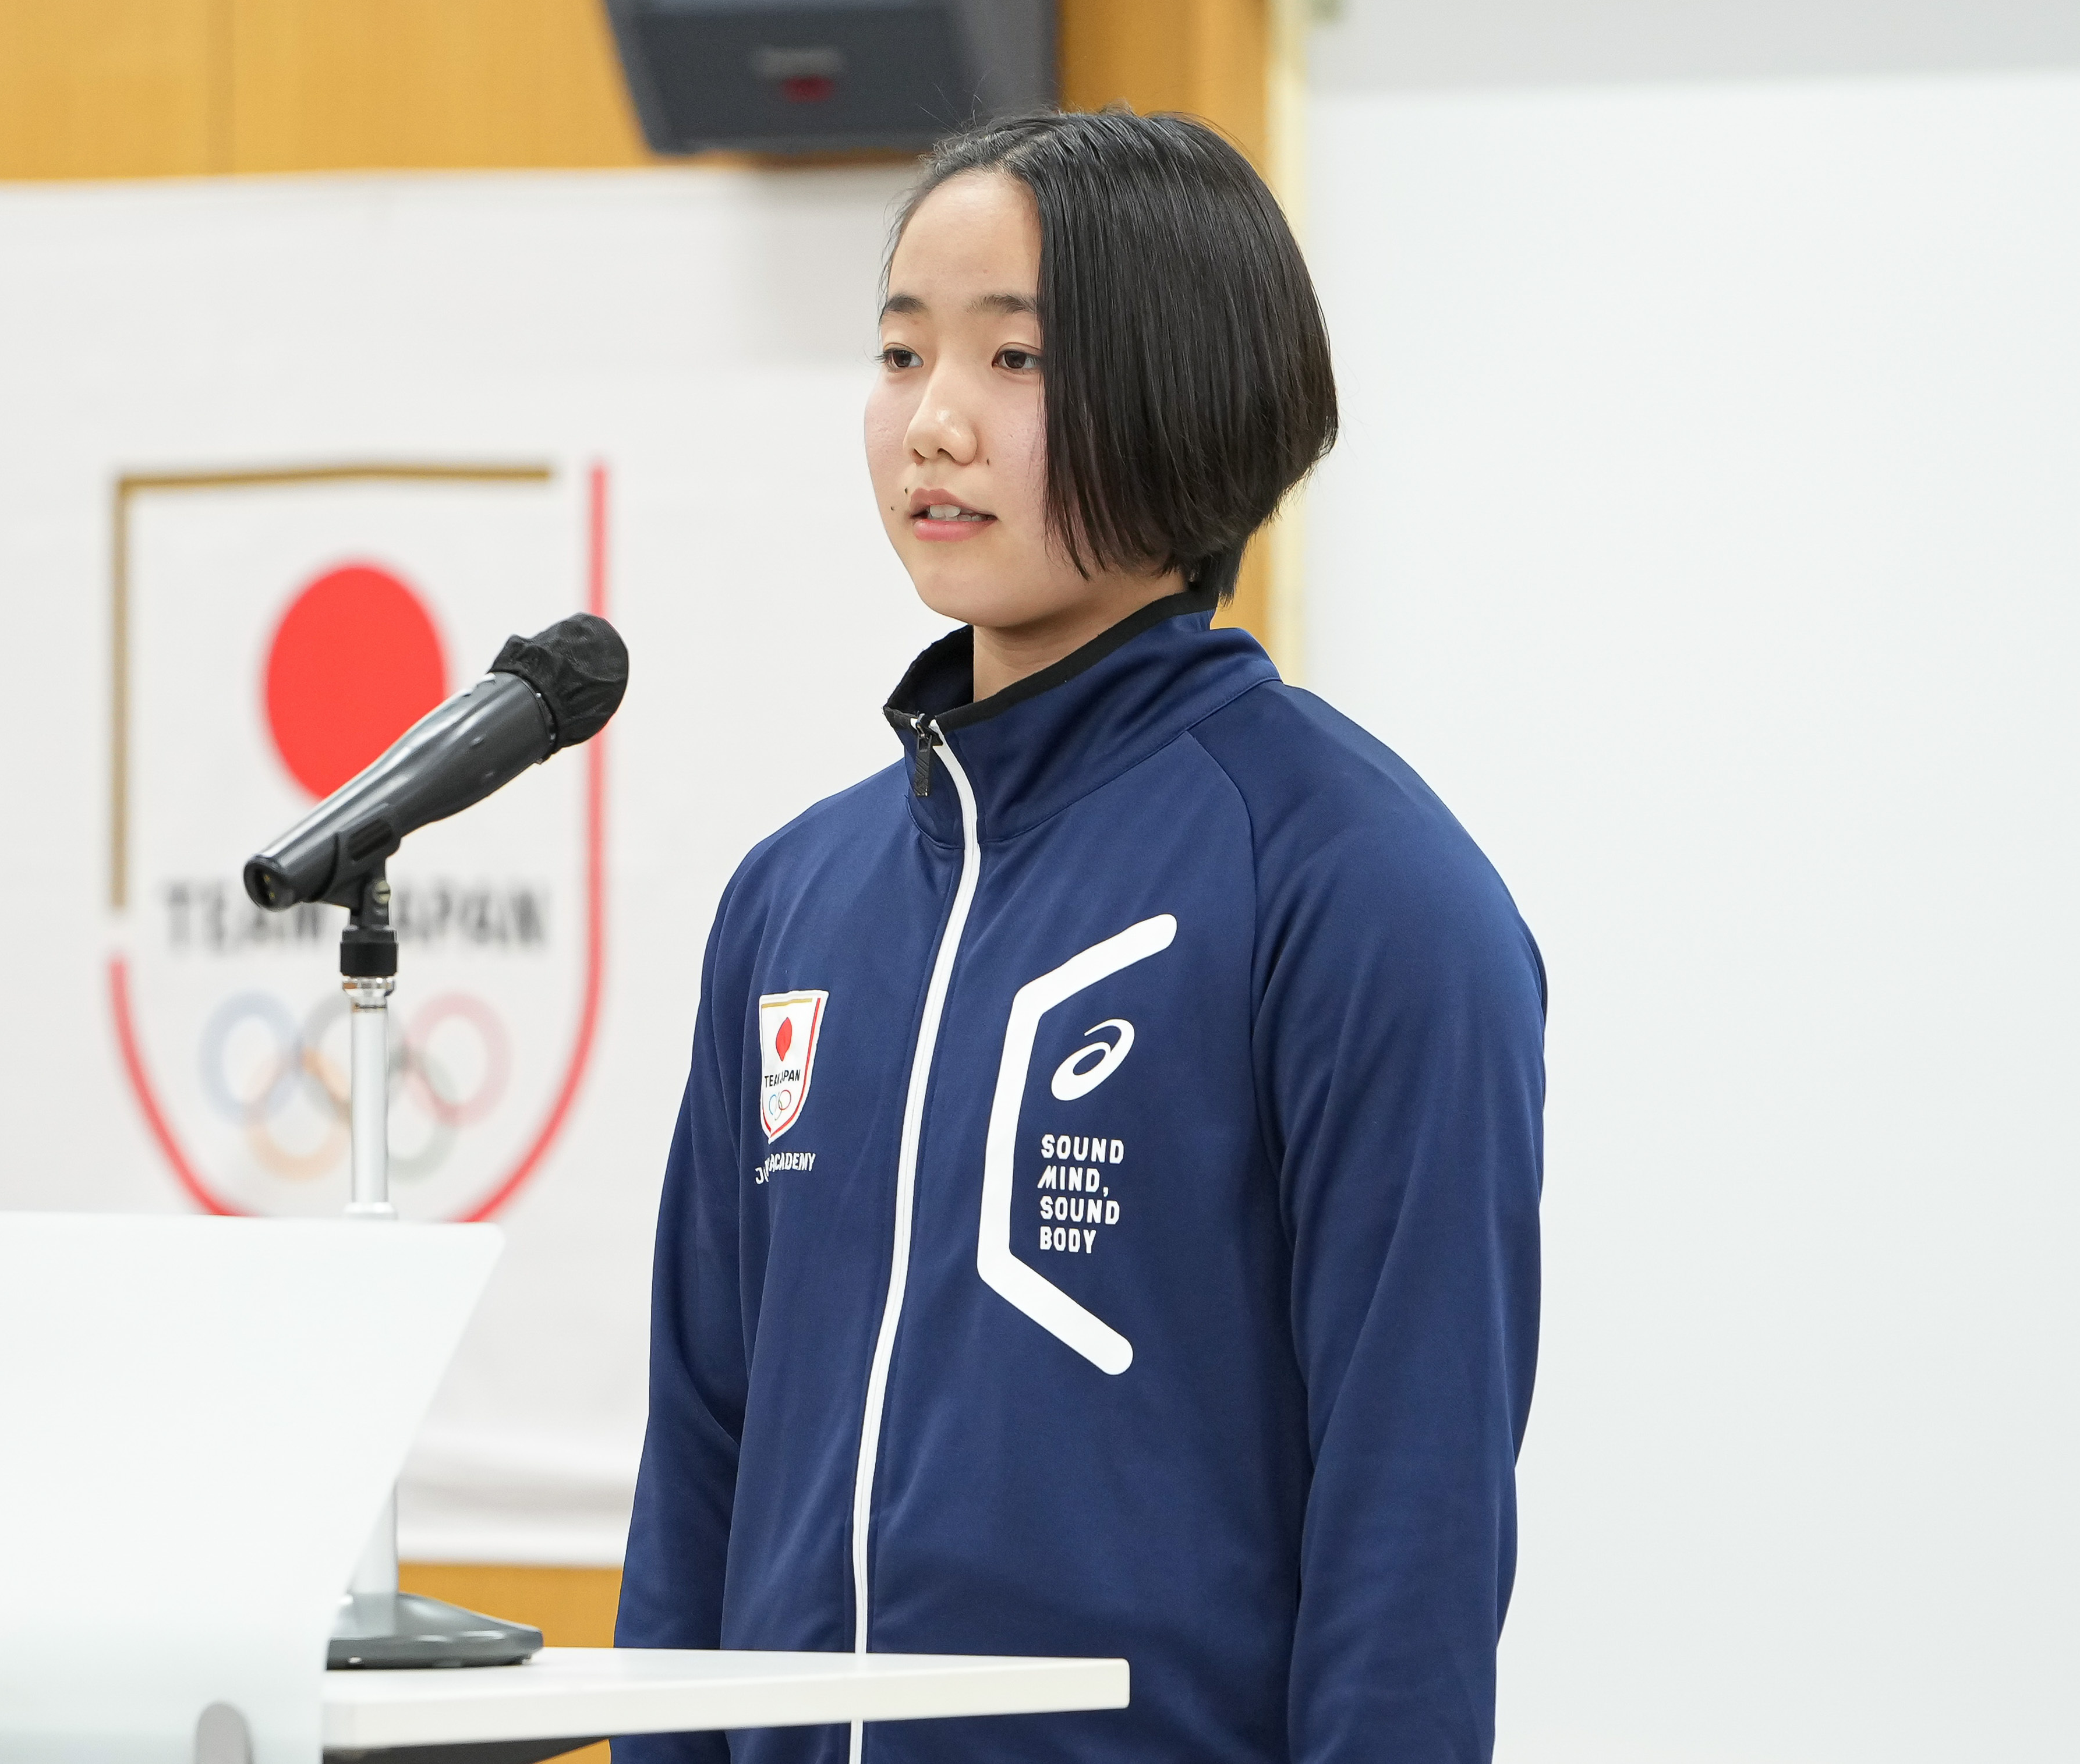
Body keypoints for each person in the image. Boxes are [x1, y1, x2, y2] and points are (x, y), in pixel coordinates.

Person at [613, 108, 1546, 1764]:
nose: (936, 422)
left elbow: (1416, 1524)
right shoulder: (792, 901)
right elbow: (701, 1462)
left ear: (1187, 391)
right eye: (900, 353)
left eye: (1015, 358)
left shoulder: (1362, 887)